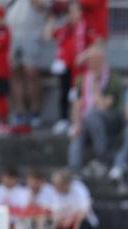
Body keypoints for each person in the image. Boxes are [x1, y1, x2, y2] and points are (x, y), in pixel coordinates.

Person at [68, 43, 123, 176]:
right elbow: (77, 104)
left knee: (92, 114)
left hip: (110, 118)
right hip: (88, 119)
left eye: (97, 59)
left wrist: (95, 86)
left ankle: (103, 158)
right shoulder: (81, 79)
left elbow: (103, 105)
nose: (93, 63)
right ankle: (74, 171)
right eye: (91, 60)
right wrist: (77, 124)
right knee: (78, 132)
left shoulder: (113, 78)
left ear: (103, 60)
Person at [46, 1, 95, 135]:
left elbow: (95, 45)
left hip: (80, 69)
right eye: (70, 12)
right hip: (65, 67)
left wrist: (84, 55)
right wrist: (52, 18)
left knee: (78, 95)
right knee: (64, 93)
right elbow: (48, 35)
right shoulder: (64, 29)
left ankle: (78, 122)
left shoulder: (86, 27)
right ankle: (63, 119)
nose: (73, 15)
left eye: (75, 11)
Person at [7, 0, 48, 127]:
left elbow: (41, 6)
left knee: (31, 73)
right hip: (12, 34)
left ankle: (35, 112)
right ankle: (20, 112)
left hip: (31, 34)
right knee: (15, 74)